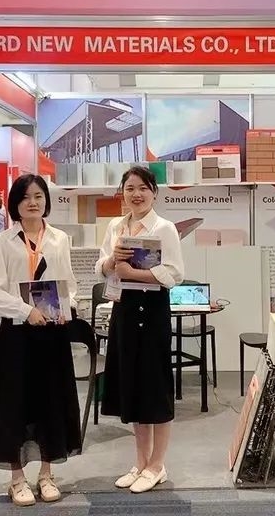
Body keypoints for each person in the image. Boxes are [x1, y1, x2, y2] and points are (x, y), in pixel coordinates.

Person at [0, 173, 81, 507]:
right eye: (25, 197)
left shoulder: (59, 238)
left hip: (52, 333)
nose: (33, 202)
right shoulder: (4, 241)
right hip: (17, 335)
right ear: (15, 203)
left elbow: (68, 283)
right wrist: (26, 311)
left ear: (46, 201)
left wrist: (67, 307)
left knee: (51, 401)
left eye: (38, 196)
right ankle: (17, 479)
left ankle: (47, 475)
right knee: (14, 404)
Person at [96, 165, 185, 494]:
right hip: (124, 309)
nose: (136, 194)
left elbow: (174, 274)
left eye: (143, 188)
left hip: (153, 310)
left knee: (155, 387)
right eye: (130, 188)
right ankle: (141, 461)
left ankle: (157, 464)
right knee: (132, 387)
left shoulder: (165, 228)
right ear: (123, 193)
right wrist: (111, 262)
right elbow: (101, 267)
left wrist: (132, 273)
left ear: (154, 193)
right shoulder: (116, 226)